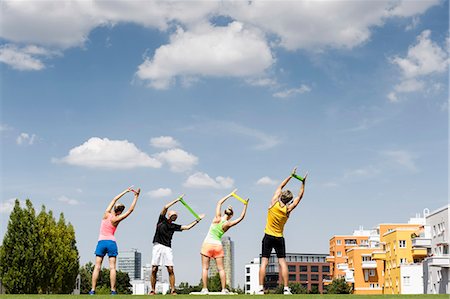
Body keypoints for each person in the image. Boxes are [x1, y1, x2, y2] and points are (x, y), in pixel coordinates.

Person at [258, 168, 307, 295]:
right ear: (289, 200)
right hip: (279, 237)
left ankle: (260, 288)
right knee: (282, 263)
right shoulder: (288, 210)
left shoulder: (273, 202)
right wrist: (303, 182)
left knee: (264, 262)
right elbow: (300, 197)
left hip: (268, 236)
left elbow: (280, 185)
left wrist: (291, 176)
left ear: (281, 196)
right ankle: (286, 288)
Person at [90, 187, 140, 295]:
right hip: (111, 242)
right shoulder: (117, 219)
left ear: (114, 208)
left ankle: (92, 290)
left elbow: (114, 199)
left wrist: (126, 191)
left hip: (101, 242)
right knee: (112, 267)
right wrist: (136, 197)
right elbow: (130, 210)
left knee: (97, 266)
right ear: (120, 211)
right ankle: (113, 290)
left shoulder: (106, 214)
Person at [150, 196, 205, 295]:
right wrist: (177, 200)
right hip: (157, 245)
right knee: (154, 269)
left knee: (170, 269)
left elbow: (187, 227)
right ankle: (152, 290)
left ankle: (173, 290)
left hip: (167, 247)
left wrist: (198, 220)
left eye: (176, 216)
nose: (175, 216)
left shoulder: (174, 226)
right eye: (173, 214)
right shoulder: (161, 220)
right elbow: (165, 207)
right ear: (168, 215)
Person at [200, 190, 249, 294]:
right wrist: (245, 205)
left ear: (224, 212)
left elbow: (219, 203)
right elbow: (241, 218)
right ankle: (223, 289)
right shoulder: (228, 224)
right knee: (221, 269)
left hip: (207, 244)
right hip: (217, 246)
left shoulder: (217, 218)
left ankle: (204, 289)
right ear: (231, 216)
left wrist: (230, 195)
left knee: (205, 268)